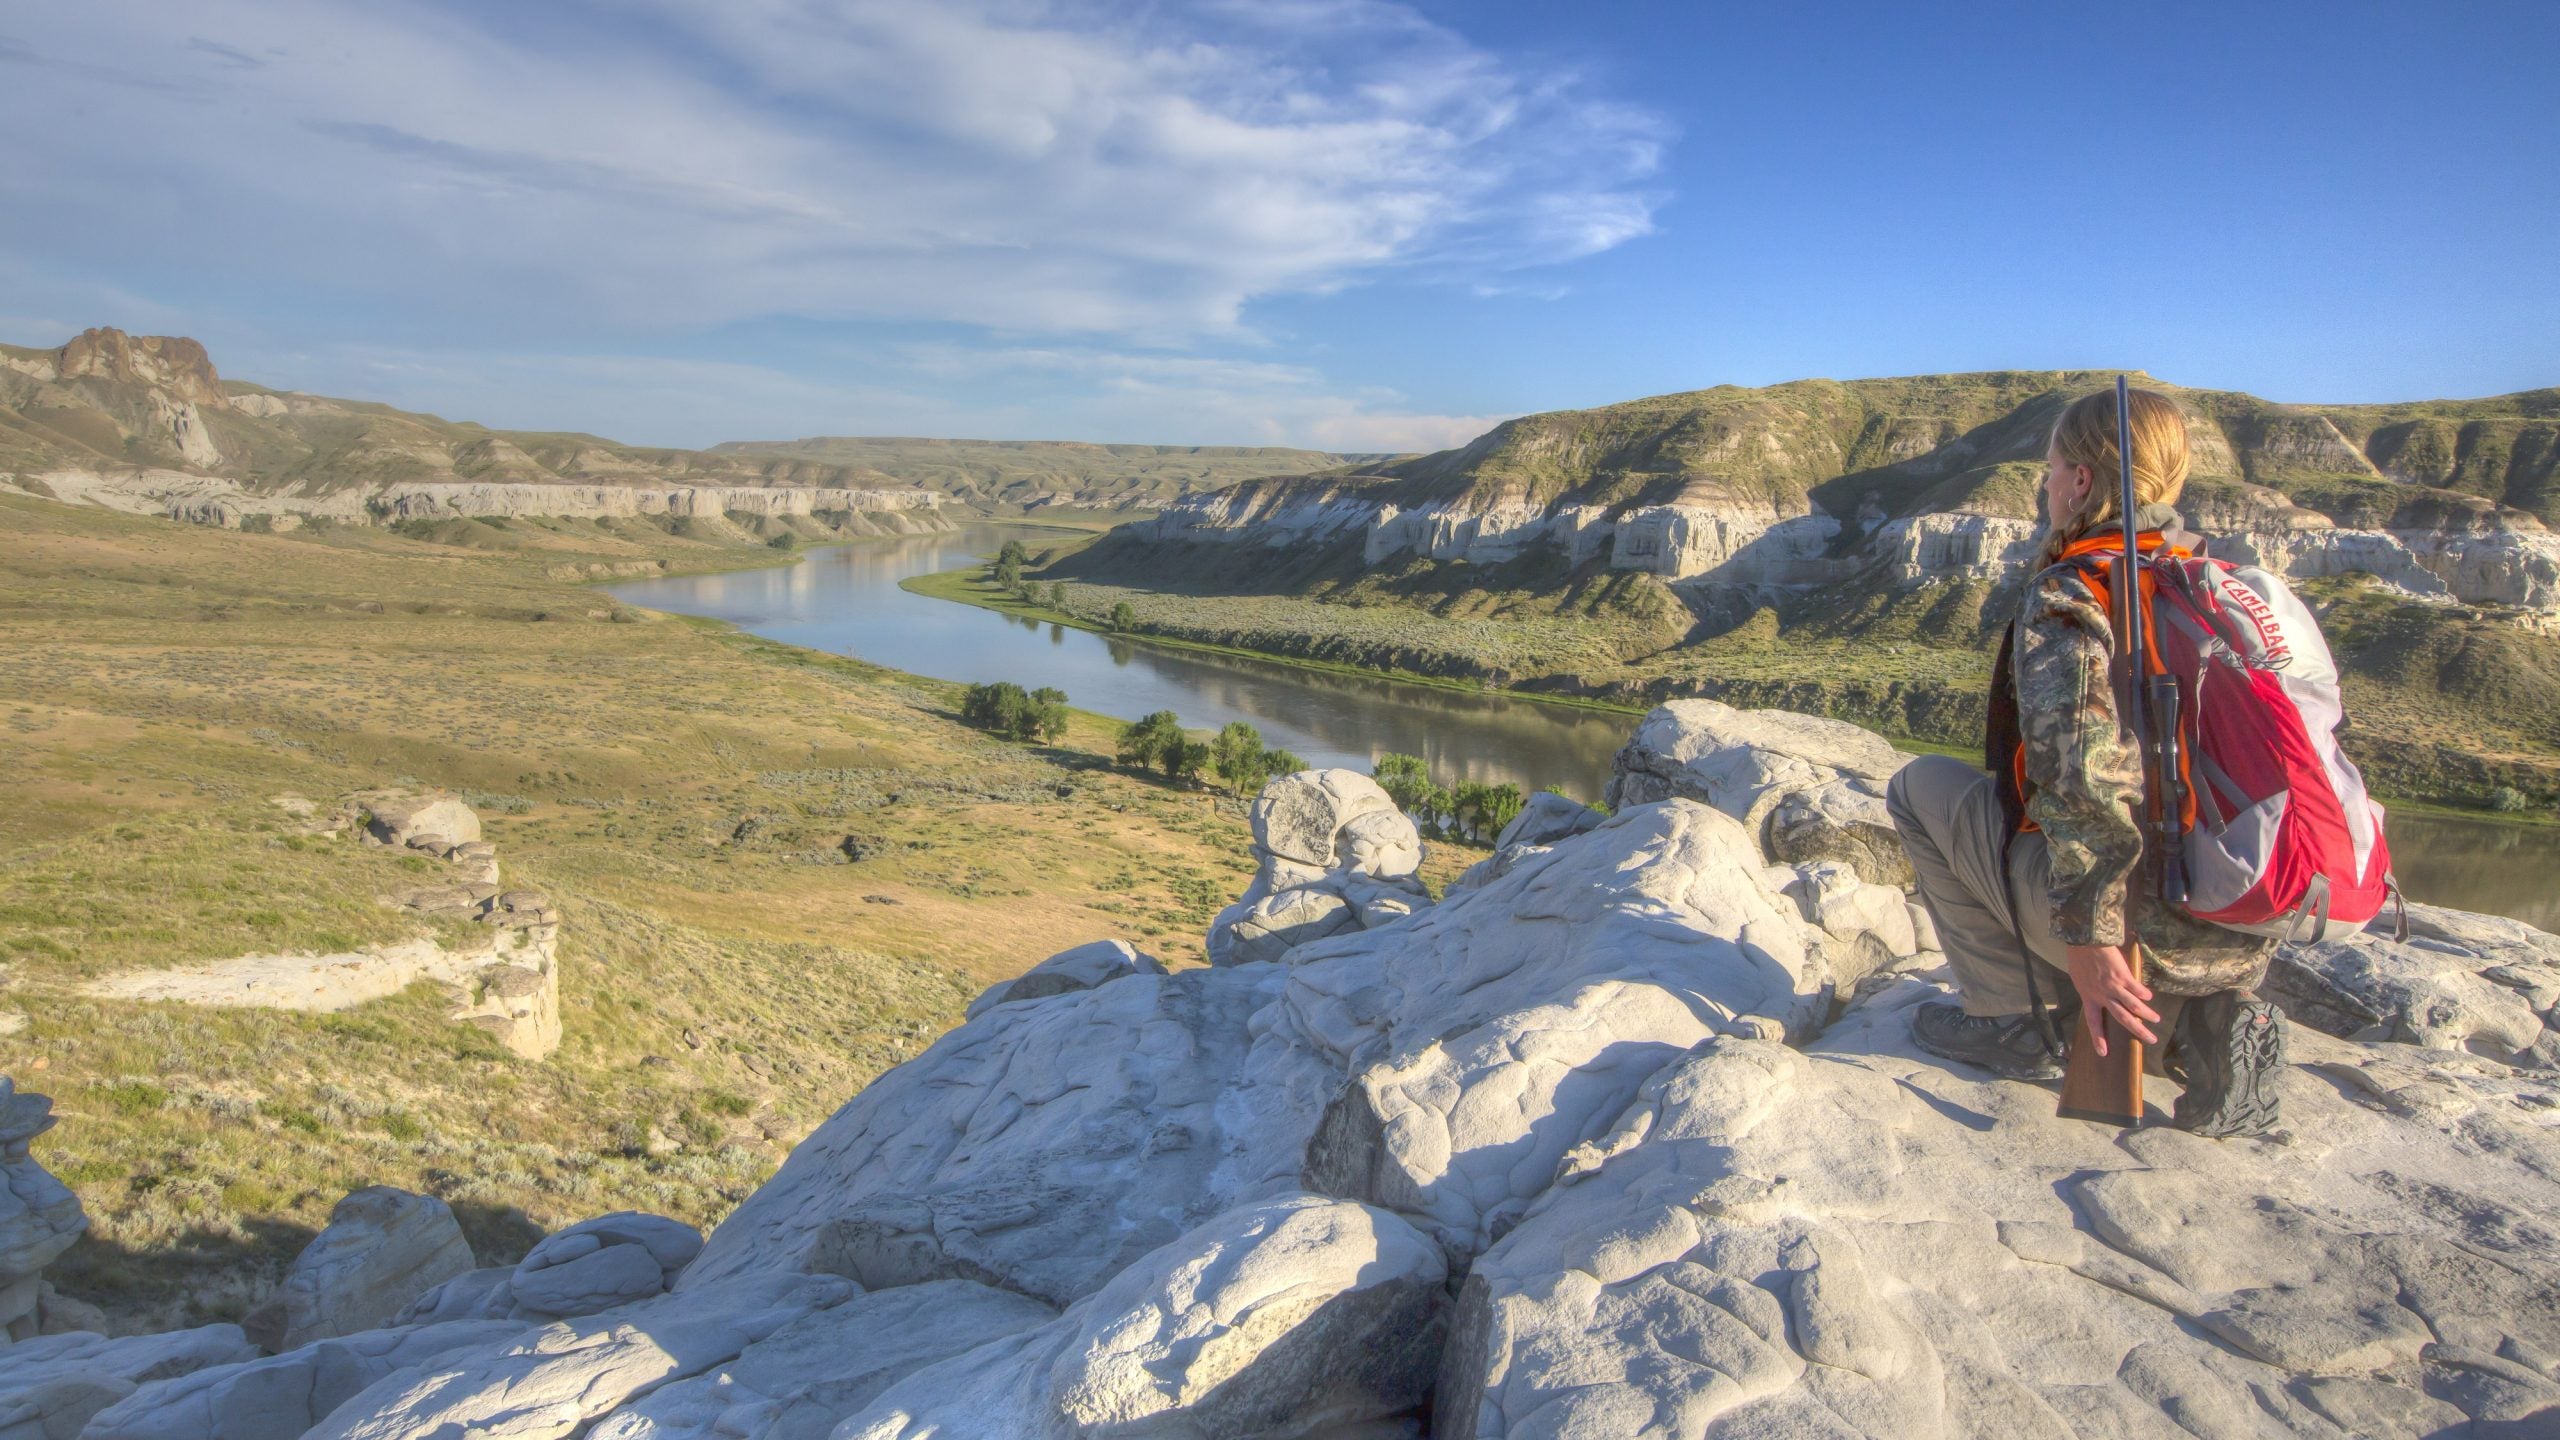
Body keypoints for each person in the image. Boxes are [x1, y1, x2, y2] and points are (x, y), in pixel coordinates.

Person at [1886, 387, 2284, 1136]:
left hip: (2137, 921)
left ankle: (2010, 1018)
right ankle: (2204, 1022)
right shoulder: (2216, 586)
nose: (2043, 486)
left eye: (2050, 468)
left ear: (2080, 482)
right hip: (2236, 913)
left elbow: (2080, 783)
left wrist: (2095, 945)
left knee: (1918, 787)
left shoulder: (2078, 592)